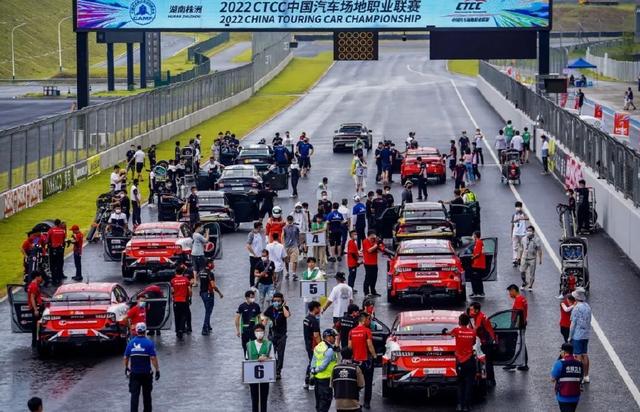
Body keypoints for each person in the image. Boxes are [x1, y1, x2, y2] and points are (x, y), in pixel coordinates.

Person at [124, 323, 160, 412]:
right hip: (146, 374)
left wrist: (126, 367)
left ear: (136, 331)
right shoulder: (149, 343)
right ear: (145, 331)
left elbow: (126, 357)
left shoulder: (131, 343)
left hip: (135, 374)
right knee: (147, 395)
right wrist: (157, 370)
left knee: (134, 396)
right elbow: (153, 358)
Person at [446, 313, 477, 412]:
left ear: (459, 322)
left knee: (460, 383)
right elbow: (474, 343)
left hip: (460, 361)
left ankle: (460, 405)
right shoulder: (472, 332)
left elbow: (448, 333)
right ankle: (468, 406)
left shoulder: (456, 331)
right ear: (468, 322)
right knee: (469, 384)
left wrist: (444, 331)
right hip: (470, 360)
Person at [348, 313, 376, 409]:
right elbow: (370, 345)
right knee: (368, 383)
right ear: (364, 321)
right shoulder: (367, 331)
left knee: (355, 382)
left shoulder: (351, 332)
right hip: (366, 361)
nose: (370, 322)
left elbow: (350, 347)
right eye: (369, 320)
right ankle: (367, 403)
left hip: (355, 361)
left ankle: (356, 401)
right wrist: (375, 355)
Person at [262, 292, 290, 380]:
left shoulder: (284, 308)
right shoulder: (270, 309)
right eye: (275, 300)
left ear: (282, 300)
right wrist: (261, 328)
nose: (276, 302)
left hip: (282, 335)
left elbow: (287, 315)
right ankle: (273, 369)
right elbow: (265, 319)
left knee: (280, 354)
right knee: (272, 353)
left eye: (278, 300)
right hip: (272, 334)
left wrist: (283, 306)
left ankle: (278, 371)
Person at [468, 302, 496, 386]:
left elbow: (476, 330)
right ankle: (490, 380)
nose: (470, 311)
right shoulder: (479, 315)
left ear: (476, 310)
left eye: (472, 310)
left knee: (485, 362)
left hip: (486, 342)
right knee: (488, 362)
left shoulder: (480, 317)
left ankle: (488, 380)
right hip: (488, 341)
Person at [246, 324, 272, 412]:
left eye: (261, 331)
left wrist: (266, 358)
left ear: (264, 332)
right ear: (254, 333)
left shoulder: (269, 344)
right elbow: (246, 360)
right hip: (253, 378)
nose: (259, 333)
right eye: (257, 331)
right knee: (254, 400)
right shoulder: (249, 345)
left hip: (265, 377)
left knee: (264, 400)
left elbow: (273, 359)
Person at [311, 329, 339, 412]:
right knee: (325, 403)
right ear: (328, 337)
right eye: (333, 337)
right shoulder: (329, 350)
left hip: (317, 379)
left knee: (319, 403)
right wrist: (316, 370)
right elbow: (323, 365)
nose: (334, 339)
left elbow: (313, 361)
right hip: (326, 380)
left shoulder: (318, 346)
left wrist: (313, 371)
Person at [551, 343, 584, 412]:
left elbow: (553, 378)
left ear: (564, 352)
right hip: (575, 396)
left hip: (563, 396)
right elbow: (581, 378)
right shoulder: (579, 363)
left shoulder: (559, 363)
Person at [332, 347, 365, 412]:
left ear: (342, 355)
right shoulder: (356, 368)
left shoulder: (335, 369)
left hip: (339, 404)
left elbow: (332, 385)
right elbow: (361, 384)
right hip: (353, 403)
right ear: (352, 356)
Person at [569, 287, 591, 384]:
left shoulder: (576, 308)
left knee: (577, 356)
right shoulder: (587, 306)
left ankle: (579, 377)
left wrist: (570, 336)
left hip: (577, 335)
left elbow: (573, 324)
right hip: (586, 334)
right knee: (585, 354)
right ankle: (586, 376)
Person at [505, 284, 528, 371]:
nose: (509, 294)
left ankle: (513, 363)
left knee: (514, 343)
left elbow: (519, 313)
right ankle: (523, 363)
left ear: (513, 290)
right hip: (521, 324)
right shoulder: (522, 298)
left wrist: (516, 326)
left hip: (518, 325)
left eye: (510, 292)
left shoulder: (518, 300)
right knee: (521, 343)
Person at [199, 259, 223, 336]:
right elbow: (213, 286)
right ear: (209, 264)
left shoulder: (201, 272)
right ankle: (204, 328)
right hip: (209, 294)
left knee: (207, 309)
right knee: (208, 312)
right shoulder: (210, 274)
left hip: (202, 293)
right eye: (212, 263)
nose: (213, 264)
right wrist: (219, 293)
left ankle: (208, 326)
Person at [236, 290, 262, 356]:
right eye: (251, 297)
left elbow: (259, 318)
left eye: (253, 297)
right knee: (245, 346)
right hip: (245, 329)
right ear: (247, 298)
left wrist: (260, 329)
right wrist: (238, 330)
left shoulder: (256, 306)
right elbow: (237, 318)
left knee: (255, 345)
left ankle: (255, 358)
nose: (253, 298)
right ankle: (246, 358)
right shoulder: (242, 306)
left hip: (254, 329)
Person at [304, 301, 322, 390]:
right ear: (315, 308)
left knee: (311, 362)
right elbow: (316, 335)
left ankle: (306, 382)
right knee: (314, 364)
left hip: (308, 344)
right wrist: (322, 346)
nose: (320, 309)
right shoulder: (314, 321)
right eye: (319, 307)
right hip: (313, 346)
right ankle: (311, 383)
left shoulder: (306, 319)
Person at [171, 266, 192, 339]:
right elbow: (189, 290)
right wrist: (189, 297)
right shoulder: (186, 280)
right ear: (182, 272)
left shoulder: (173, 281)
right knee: (184, 315)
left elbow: (172, 291)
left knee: (177, 316)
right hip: (184, 300)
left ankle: (177, 330)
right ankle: (181, 329)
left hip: (176, 300)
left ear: (176, 272)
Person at [361, 230, 384, 297]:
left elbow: (381, 249)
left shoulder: (374, 241)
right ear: (370, 235)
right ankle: (366, 292)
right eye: (373, 236)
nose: (373, 238)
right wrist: (376, 244)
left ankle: (373, 291)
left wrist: (379, 242)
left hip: (374, 262)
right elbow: (369, 250)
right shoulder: (365, 241)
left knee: (374, 278)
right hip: (368, 263)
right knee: (368, 278)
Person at [520, 225, 543, 290]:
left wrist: (540, 259)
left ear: (533, 232)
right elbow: (521, 248)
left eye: (530, 231)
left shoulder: (536, 239)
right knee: (522, 271)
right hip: (524, 258)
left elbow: (539, 249)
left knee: (532, 273)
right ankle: (524, 282)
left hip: (532, 259)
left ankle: (530, 286)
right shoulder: (523, 239)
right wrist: (519, 257)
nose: (529, 232)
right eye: (528, 230)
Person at [246, 222, 267, 287]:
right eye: (261, 227)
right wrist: (254, 253)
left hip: (259, 256)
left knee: (261, 270)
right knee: (253, 271)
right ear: (258, 227)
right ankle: (252, 285)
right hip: (253, 257)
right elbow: (248, 245)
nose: (262, 228)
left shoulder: (259, 233)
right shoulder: (251, 234)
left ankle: (258, 284)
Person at [27, 271, 44, 347]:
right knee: (36, 326)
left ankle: (35, 342)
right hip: (36, 308)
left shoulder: (32, 285)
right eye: (40, 277)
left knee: (35, 326)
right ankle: (35, 342)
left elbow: (36, 297)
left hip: (35, 307)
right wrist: (36, 310)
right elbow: (32, 298)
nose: (41, 278)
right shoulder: (34, 286)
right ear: (37, 277)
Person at [47, 219, 66, 286]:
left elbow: (47, 240)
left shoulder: (51, 230)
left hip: (53, 250)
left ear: (54, 223)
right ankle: (59, 278)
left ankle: (54, 280)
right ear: (59, 223)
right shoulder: (62, 230)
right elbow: (64, 239)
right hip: (60, 250)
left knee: (53, 265)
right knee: (59, 264)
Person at [511, 201, 529, 267]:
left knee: (522, 248)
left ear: (521, 207)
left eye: (519, 206)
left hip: (522, 234)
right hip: (515, 233)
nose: (518, 208)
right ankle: (515, 259)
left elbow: (527, 218)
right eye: (517, 207)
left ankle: (520, 259)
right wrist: (511, 234)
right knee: (515, 247)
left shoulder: (523, 214)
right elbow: (512, 224)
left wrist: (521, 216)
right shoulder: (514, 215)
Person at [283, 216, 300, 280]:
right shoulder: (284, 228)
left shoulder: (296, 228)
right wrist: (283, 245)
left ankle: (294, 273)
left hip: (294, 246)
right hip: (287, 246)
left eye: (291, 220)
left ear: (292, 220)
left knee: (294, 260)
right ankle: (287, 272)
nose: (290, 221)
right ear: (287, 220)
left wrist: (299, 244)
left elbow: (298, 236)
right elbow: (282, 236)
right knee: (286, 261)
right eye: (289, 220)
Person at [469, 231, 486, 298]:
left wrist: (472, 257)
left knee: (475, 278)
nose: (472, 236)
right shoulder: (477, 242)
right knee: (477, 278)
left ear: (475, 235)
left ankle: (477, 292)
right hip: (477, 264)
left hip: (478, 264)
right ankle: (478, 292)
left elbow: (478, 253)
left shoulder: (479, 242)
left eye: (473, 235)